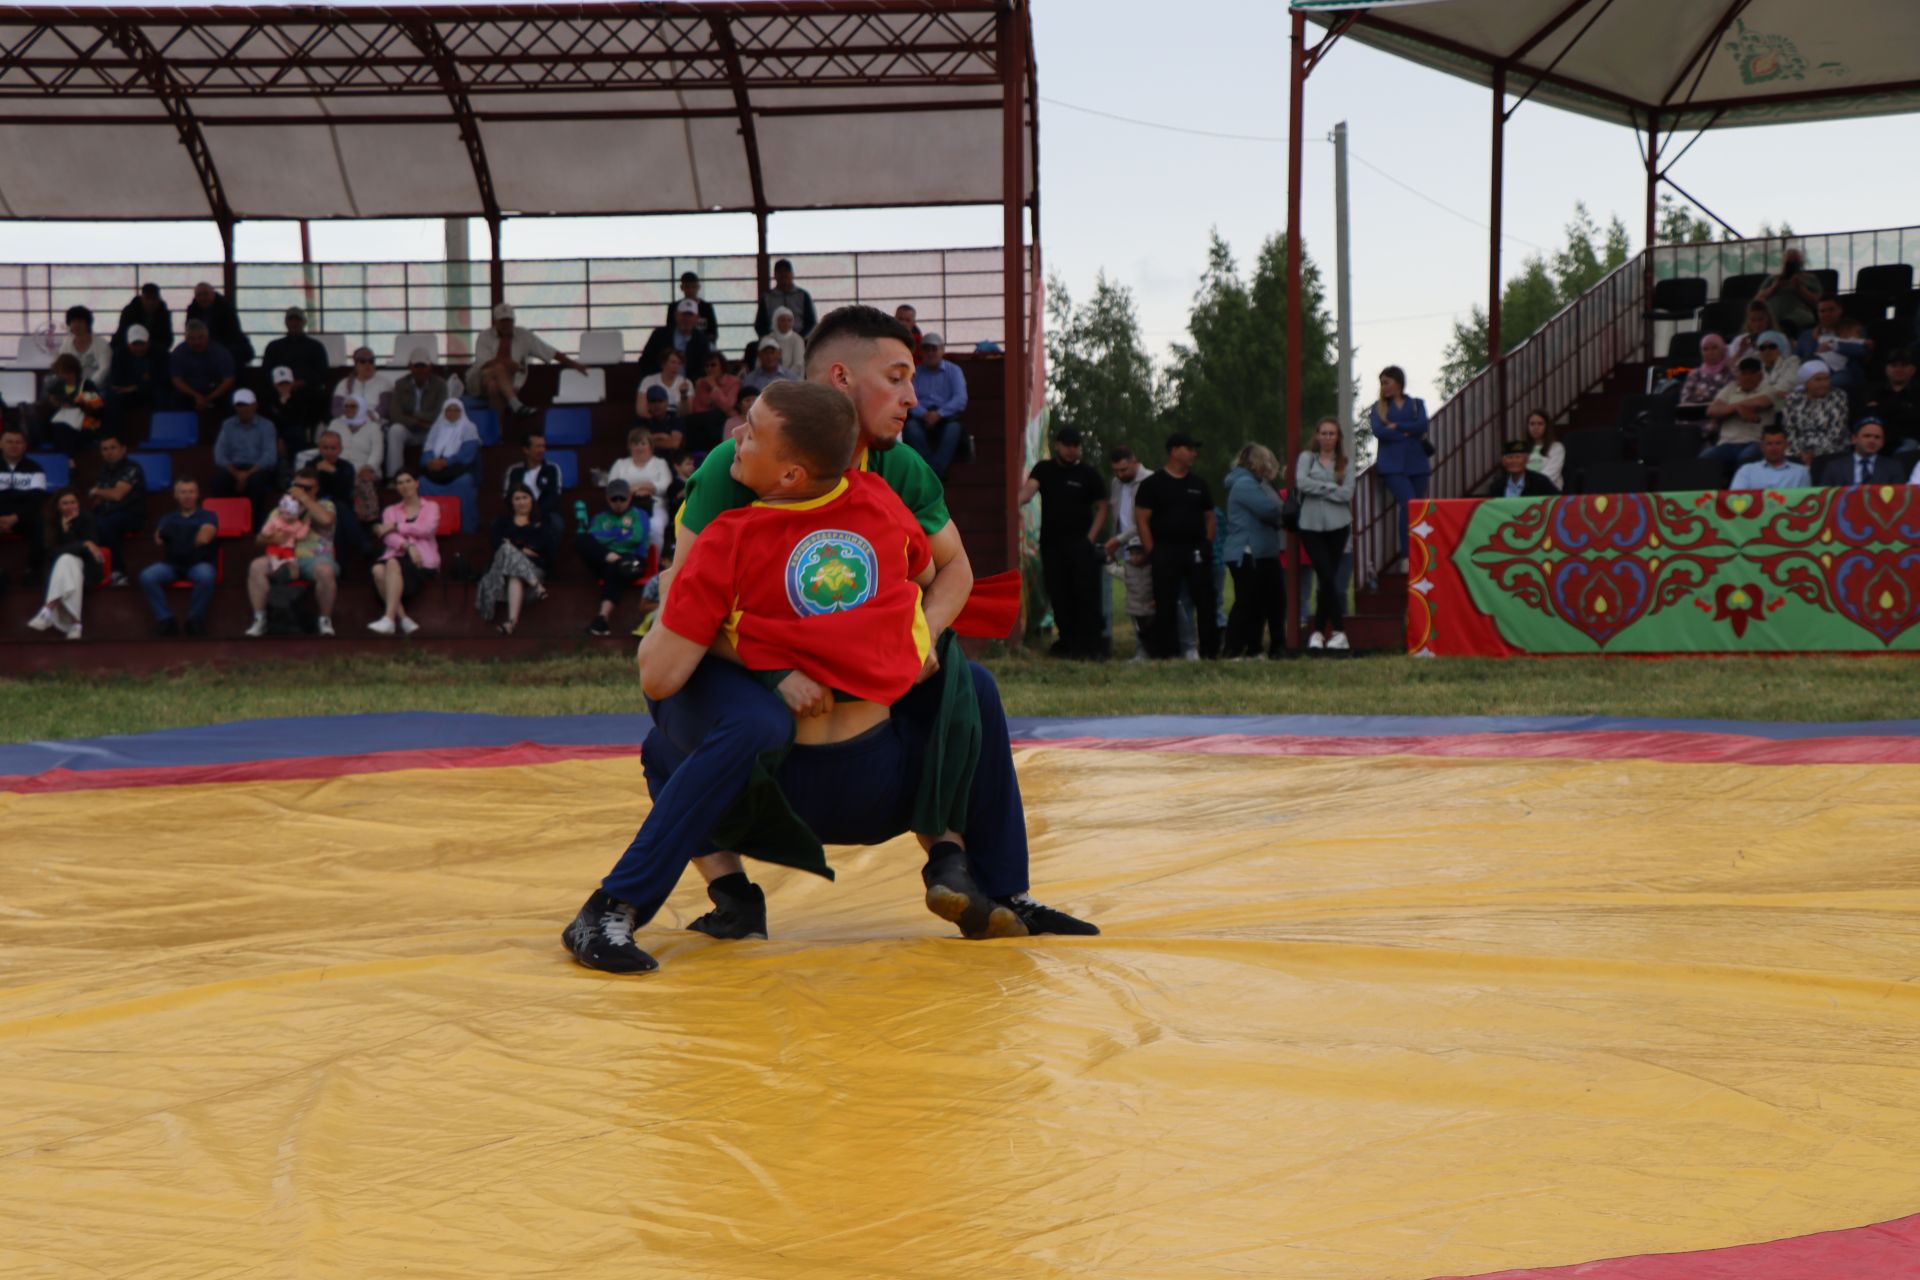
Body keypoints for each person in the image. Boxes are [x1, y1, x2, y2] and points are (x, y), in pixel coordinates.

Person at [564, 379, 1091, 973]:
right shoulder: (884, 505)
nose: (736, 436)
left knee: (675, 742)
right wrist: (907, 639)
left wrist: (751, 649)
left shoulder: (727, 539)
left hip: (778, 802)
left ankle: (618, 904)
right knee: (970, 685)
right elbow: (938, 571)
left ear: (790, 475)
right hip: (885, 792)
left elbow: (658, 676)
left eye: (752, 432)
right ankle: (969, 868)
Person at [1018, 426, 1107, 659]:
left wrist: (1091, 537)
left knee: (1084, 594)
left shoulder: (1088, 474)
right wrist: (1010, 503)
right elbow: (1027, 493)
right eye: (1067, 445)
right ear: (1057, 445)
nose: (1071, 450)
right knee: (1058, 592)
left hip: (1081, 544)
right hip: (1052, 545)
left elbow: (1102, 507)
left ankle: (1090, 645)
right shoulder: (1044, 469)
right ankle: (1066, 641)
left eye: (1076, 446)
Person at [1135, 432, 1218, 660]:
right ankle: (1167, 652)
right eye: (1189, 448)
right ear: (1174, 451)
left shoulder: (1198, 484)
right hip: (1165, 550)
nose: (1194, 453)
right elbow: (1141, 518)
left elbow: (1210, 516)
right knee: (1166, 602)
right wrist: (1152, 551)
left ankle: (1210, 651)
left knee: (1205, 601)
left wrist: (1207, 543)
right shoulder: (1153, 484)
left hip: (1195, 550)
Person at [243, 469, 339, 637]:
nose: (301, 490)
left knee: (326, 571)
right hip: (282, 557)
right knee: (256, 566)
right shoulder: (281, 509)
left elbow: (326, 520)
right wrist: (272, 539)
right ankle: (260, 619)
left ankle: (325, 620)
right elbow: (258, 539)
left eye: (307, 488)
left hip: (314, 558)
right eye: (297, 486)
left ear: (316, 489)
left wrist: (304, 498)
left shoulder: (325, 505)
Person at [1218, 443, 1285, 659]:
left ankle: (1252, 647)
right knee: (1247, 601)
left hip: (1255, 551)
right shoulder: (1245, 484)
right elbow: (1267, 510)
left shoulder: (1245, 482)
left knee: (1258, 601)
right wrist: (1284, 509)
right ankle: (1233, 648)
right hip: (1246, 551)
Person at [1295, 416, 1355, 652]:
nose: (1328, 438)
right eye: (1324, 433)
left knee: (1327, 579)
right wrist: (1331, 487)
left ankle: (1318, 632)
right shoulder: (1306, 459)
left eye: (1332, 434)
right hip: (1310, 525)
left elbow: (1347, 494)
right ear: (1317, 436)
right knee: (1325, 575)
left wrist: (1318, 488)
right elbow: (1302, 483)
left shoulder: (1345, 463)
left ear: (1338, 437)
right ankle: (1339, 630)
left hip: (1339, 525)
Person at [468, 303, 584, 421]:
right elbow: (484, 364)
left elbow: (548, 351)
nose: (506, 324)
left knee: (494, 387)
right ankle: (516, 405)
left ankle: (497, 431)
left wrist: (573, 364)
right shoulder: (484, 336)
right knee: (498, 368)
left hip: (509, 382)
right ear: (495, 322)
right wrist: (509, 364)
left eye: (509, 320)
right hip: (481, 378)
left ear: (514, 321)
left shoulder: (524, 335)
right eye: (502, 321)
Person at [137, 475, 220, 637]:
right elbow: (159, 539)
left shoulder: (209, 516)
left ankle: (194, 619)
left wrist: (175, 535)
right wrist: (190, 535)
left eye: (191, 492)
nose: (187, 496)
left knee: (206, 574)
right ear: (175, 495)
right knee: (147, 576)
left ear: (197, 494)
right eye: (183, 492)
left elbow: (204, 538)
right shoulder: (167, 518)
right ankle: (165, 619)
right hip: (172, 564)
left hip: (198, 563)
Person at [1367, 364, 1430, 571]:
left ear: (1398, 383)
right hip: (1392, 466)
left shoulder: (1416, 404)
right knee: (1409, 504)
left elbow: (1421, 425)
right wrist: (1404, 433)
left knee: (1418, 508)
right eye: (1381, 383)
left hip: (1417, 464)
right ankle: (1407, 555)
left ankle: (1420, 552)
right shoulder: (1378, 407)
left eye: (1387, 382)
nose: (1384, 387)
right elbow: (1378, 431)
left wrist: (1398, 426)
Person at [367, 469, 440, 637]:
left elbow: (426, 530)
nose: (404, 485)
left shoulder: (431, 506)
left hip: (422, 561)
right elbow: (388, 538)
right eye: (400, 482)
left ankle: (390, 619)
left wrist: (396, 526)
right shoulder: (390, 511)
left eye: (408, 481)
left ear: (416, 483)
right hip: (401, 555)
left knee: (392, 562)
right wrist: (408, 546)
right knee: (378, 569)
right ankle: (400, 618)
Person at [576, 479, 650, 636]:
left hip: (632, 559)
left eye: (622, 498)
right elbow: (593, 536)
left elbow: (636, 537)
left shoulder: (639, 515)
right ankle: (612, 559)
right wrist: (619, 535)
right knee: (581, 539)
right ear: (607, 499)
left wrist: (610, 537)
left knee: (617, 568)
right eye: (614, 499)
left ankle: (602, 619)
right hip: (605, 558)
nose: (618, 503)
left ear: (629, 498)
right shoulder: (600, 518)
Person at [25, 489, 101, 640]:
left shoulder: (87, 519)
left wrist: (71, 535)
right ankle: (76, 624)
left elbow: (88, 552)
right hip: (58, 571)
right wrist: (76, 539)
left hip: (86, 567)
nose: (70, 506)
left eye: (73, 502)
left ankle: (47, 610)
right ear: (58, 507)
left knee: (67, 559)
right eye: (65, 503)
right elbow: (52, 552)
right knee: (66, 561)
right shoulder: (50, 523)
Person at [479, 485, 552, 634]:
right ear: (511, 502)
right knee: (506, 549)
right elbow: (498, 545)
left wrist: (514, 545)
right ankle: (538, 587)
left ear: (532, 500)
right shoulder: (501, 522)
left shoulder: (542, 523)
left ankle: (511, 623)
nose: (521, 502)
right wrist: (520, 549)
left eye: (525, 497)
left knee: (515, 574)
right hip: (501, 571)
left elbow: (541, 547)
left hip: (532, 568)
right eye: (517, 498)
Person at [904, 332, 969, 479]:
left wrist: (939, 414)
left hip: (947, 417)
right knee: (910, 428)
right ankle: (935, 471)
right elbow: (908, 397)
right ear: (921, 352)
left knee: (954, 429)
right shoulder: (915, 372)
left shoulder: (954, 371)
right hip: (920, 417)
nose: (930, 353)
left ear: (942, 350)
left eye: (934, 349)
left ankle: (931, 473)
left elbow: (960, 399)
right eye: (926, 349)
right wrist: (924, 414)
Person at [211, 389, 280, 524]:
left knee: (256, 482)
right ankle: (225, 522)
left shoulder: (267, 426)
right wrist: (237, 473)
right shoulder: (227, 424)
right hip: (234, 467)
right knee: (219, 481)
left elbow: (270, 456)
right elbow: (219, 454)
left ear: (255, 405)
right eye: (240, 405)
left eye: (247, 405)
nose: (243, 409)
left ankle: (254, 525)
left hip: (258, 468)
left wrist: (246, 474)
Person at [306, 428, 375, 562]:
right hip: (318, 508)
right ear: (319, 448)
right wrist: (317, 472)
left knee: (338, 513)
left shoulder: (346, 466)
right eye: (325, 448)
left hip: (342, 508)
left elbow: (345, 491)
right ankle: (362, 542)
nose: (329, 452)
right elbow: (309, 491)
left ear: (340, 449)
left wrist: (333, 471)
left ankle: (341, 568)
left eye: (333, 448)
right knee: (337, 509)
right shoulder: (310, 466)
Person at [87, 434, 146, 578]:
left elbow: (117, 495)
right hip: (108, 512)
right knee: (85, 523)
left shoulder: (132, 468)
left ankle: (118, 570)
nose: (109, 452)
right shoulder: (104, 470)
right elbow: (99, 499)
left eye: (113, 448)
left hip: (131, 514)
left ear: (123, 449)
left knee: (105, 524)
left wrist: (96, 491)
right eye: (104, 449)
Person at [1702, 357, 1775, 474]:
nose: (1747, 377)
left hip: (1755, 441)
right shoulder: (1730, 389)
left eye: (1752, 374)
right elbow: (1711, 410)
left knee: (1747, 457)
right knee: (1705, 457)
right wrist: (1737, 408)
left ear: (1760, 376)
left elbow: (1763, 402)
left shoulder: (1768, 389)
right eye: (1744, 373)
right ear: (1738, 375)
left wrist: (1731, 407)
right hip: (1727, 443)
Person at [419, 398, 482, 533]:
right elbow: (427, 450)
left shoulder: (468, 427)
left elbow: (468, 453)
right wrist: (430, 462)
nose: (452, 413)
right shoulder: (437, 427)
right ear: (444, 412)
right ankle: (429, 527)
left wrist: (446, 462)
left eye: (456, 410)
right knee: (422, 482)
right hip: (436, 470)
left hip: (458, 470)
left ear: (462, 412)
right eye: (448, 410)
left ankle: (464, 528)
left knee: (463, 483)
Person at [261, 306, 332, 423]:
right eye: (291, 320)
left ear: (304, 322)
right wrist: (280, 386)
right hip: (277, 391)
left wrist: (299, 383)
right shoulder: (274, 346)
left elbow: (322, 373)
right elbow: (266, 372)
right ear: (286, 322)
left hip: (306, 392)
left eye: (297, 320)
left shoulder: (315, 346)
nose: (294, 323)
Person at [608, 425, 673, 550]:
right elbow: (612, 487)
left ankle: (653, 564)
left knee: (655, 527)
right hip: (626, 506)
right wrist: (632, 490)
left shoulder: (660, 463)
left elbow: (666, 486)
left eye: (643, 443)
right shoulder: (620, 464)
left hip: (655, 506)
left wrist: (650, 488)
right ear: (630, 447)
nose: (639, 447)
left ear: (650, 446)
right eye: (635, 444)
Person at [384, 350, 447, 480]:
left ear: (430, 367)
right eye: (416, 366)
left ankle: (435, 477)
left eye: (423, 366)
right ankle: (394, 477)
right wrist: (418, 422)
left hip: (430, 430)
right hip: (410, 429)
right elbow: (395, 414)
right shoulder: (401, 384)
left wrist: (413, 414)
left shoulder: (440, 385)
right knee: (395, 430)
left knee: (443, 430)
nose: (420, 370)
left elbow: (439, 414)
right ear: (410, 367)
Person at [0, 425, 50, 585]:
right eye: (9, 442)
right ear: (1, 444)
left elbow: (37, 500)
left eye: (18, 442)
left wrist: (16, 517)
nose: (14, 445)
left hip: (23, 518)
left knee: (41, 524)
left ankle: (33, 570)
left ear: (25, 446)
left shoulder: (36, 469)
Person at [1781, 359, 1850, 468]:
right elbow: (1789, 429)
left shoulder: (1838, 396)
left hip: (1830, 450)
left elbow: (1836, 432)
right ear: (1806, 382)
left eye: (1826, 379)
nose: (1823, 383)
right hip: (1798, 451)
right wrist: (1800, 453)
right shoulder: (1793, 398)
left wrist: (1814, 454)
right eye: (1818, 380)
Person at [326, 393, 384, 520]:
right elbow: (327, 444)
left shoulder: (373, 427)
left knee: (363, 480)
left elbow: (377, 452)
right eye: (346, 406)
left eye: (353, 406)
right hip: (339, 467)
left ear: (362, 407)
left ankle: (368, 519)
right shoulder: (336, 424)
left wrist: (368, 467)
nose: (348, 409)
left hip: (365, 468)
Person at [32, 354, 104, 456]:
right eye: (62, 373)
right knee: (60, 428)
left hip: (83, 425)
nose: (65, 376)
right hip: (59, 425)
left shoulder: (87, 385)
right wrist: (53, 404)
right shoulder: (54, 386)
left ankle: (69, 459)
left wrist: (79, 403)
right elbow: (46, 411)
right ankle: (69, 460)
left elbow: (97, 410)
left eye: (68, 373)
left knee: (65, 432)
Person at [169, 319, 237, 425]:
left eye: (200, 338)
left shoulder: (220, 352)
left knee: (232, 401)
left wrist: (209, 397)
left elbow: (229, 379)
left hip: (215, 391)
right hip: (189, 392)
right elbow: (176, 379)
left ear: (207, 337)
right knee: (173, 401)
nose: (197, 342)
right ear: (185, 338)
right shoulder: (178, 353)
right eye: (192, 339)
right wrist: (196, 396)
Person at [1796, 296, 1871, 390]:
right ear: (1818, 313)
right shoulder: (1807, 335)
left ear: (1840, 311)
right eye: (1822, 311)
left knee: (1833, 383)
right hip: (1814, 372)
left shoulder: (1852, 329)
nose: (1827, 314)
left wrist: (1834, 346)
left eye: (1831, 310)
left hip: (1843, 373)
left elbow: (1862, 350)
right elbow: (1797, 357)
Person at [503, 432, 565, 543]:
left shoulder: (552, 469)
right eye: (537, 446)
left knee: (557, 524)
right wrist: (523, 513)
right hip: (519, 512)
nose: (542, 450)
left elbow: (554, 496)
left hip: (546, 513)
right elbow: (508, 496)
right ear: (526, 450)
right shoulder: (514, 470)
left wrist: (536, 513)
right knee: (499, 524)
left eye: (543, 446)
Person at [103, 323, 163, 434]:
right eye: (135, 344)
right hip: (128, 393)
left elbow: (162, 378)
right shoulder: (119, 354)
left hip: (149, 392)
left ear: (148, 342)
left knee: (162, 394)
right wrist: (142, 382)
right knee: (112, 398)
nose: (139, 348)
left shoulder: (159, 353)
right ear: (128, 344)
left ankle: (161, 433)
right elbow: (116, 380)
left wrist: (136, 387)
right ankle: (112, 436)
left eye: (142, 344)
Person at [1812, 417, 1904, 487]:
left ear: (1882, 443)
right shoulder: (1834, 467)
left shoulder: (1893, 468)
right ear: (1854, 439)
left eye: (1877, 437)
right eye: (1867, 436)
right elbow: (1825, 498)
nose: (1872, 440)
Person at [638, 298, 714, 382]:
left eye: (690, 315)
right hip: (660, 386)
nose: (686, 319)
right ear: (676, 315)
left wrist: (688, 383)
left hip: (691, 388)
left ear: (697, 318)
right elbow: (645, 362)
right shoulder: (659, 335)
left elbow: (704, 368)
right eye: (683, 315)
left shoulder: (702, 340)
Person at [1863, 348, 1920, 453]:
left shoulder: (1917, 393)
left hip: (1910, 440)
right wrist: (1903, 409)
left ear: (1912, 370)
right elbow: (1869, 418)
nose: (1898, 369)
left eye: (1904, 365)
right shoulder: (1875, 392)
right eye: (1894, 366)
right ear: (1886, 369)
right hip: (1881, 439)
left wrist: (1882, 409)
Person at [186, 280, 253, 367]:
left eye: (206, 294)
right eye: (199, 295)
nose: (203, 298)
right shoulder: (192, 309)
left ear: (213, 294)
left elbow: (232, 333)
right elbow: (190, 331)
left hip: (224, 345)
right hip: (199, 344)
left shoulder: (225, 307)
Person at [1754, 247, 1821, 333]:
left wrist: (1799, 288)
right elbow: (1757, 300)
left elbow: (1818, 302)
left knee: (1791, 323)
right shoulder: (1772, 279)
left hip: (1798, 316)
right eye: (1789, 262)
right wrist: (1774, 287)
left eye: (1795, 261)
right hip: (1772, 315)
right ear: (1783, 263)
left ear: (1801, 263)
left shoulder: (1810, 279)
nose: (1792, 265)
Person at [1730, 425, 1811, 491]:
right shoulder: (1746, 471)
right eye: (1769, 444)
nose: (1774, 448)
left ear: (1786, 445)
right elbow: (1735, 498)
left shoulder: (1801, 472)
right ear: (1762, 447)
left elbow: (1804, 503)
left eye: (1778, 443)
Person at [753, 258, 817, 337]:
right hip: (773, 340)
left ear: (792, 274)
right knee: (751, 347)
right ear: (775, 275)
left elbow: (811, 323)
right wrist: (770, 339)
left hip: (800, 338)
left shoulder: (803, 295)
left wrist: (798, 338)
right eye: (780, 272)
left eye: (786, 271)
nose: (783, 275)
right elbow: (759, 325)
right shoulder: (767, 297)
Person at [1677, 334, 1734, 419]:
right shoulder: (1695, 374)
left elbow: (1729, 399)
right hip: (1695, 417)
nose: (1710, 352)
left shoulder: (1730, 372)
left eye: (1714, 348)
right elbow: (1685, 399)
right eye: (1705, 349)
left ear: (1723, 350)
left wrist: (1701, 395)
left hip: (1721, 418)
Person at [1486, 437, 1561, 498]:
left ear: (1527, 460)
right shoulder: (1496, 487)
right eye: (1510, 457)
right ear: (1503, 461)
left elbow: (1557, 501)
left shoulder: (1540, 482)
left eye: (1518, 457)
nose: (1514, 461)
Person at [332, 347, 391, 423]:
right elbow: (336, 409)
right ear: (356, 364)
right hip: (348, 420)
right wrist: (351, 416)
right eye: (363, 361)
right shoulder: (344, 383)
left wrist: (372, 416)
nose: (367, 364)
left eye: (371, 361)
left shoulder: (384, 383)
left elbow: (385, 407)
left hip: (374, 422)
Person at [56, 305, 110, 387]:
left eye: (80, 321)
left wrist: (88, 385)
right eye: (73, 321)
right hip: (71, 386)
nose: (76, 325)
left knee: (86, 398)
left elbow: (105, 369)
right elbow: (61, 366)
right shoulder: (66, 344)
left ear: (88, 324)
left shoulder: (101, 344)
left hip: (95, 387)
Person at [114, 282, 172, 356]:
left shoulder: (164, 313)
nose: (150, 302)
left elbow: (168, 340)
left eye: (154, 299)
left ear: (158, 299)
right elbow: (122, 335)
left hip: (154, 352)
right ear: (142, 298)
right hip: (130, 350)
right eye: (147, 298)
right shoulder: (130, 311)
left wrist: (149, 347)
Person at [637, 349, 693, 417]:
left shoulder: (686, 383)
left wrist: (683, 395)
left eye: (679, 363)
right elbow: (641, 410)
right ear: (663, 364)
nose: (676, 366)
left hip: (676, 422)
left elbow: (687, 413)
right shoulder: (648, 381)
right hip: (651, 421)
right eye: (673, 362)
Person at [666, 271, 718, 341]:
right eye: (687, 287)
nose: (691, 290)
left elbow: (713, 333)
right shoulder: (673, 307)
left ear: (698, 287)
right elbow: (669, 332)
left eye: (693, 287)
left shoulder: (706, 308)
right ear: (682, 287)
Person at [1521, 409, 1566, 488]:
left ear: (1547, 426)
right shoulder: (1522, 448)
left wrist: (1530, 485)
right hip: (1525, 491)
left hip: (1548, 490)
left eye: (1540, 424)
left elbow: (1551, 474)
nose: (1536, 427)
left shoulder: (1557, 447)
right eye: (1532, 424)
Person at [691, 351, 741, 419]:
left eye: (713, 365)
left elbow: (728, 406)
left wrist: (714, 387)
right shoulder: (700, 383)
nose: (709, 369)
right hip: (705, 420)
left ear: (722, 367)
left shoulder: (734, 381)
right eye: (707, 366)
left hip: (726, 420)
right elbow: (697, 409)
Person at [768, 306, 807, 374]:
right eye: (783, 320)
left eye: (789, 320)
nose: (786, 323)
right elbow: (761, 364)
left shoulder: (797, 340)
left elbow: (798, 365)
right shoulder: (768, 339)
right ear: (776, 321)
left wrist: (783, 376)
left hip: (792, 380)